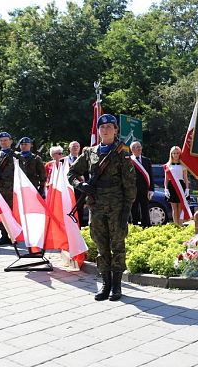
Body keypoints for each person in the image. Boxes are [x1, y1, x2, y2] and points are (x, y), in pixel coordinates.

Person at [68, 114, 136, 301]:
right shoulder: (89, 152)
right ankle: (105, 284)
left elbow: (130, 184)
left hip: (116, 207)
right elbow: (72, 172)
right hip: (96, 207)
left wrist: (126, 210)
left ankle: (117, 286)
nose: (105, 129)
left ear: (115, 130)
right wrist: (80, 185)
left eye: (109, 126)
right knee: (101, 246)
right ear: (98, 130)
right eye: (102, 127)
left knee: (117, 246)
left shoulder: (123, 152)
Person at [129, 141, 154, 228]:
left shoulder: (147, 160)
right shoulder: (128, 160)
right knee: (134, 209)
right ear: (132, 149)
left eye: (139, 146)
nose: (139, 148)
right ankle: (134, 226)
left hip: (144, 189)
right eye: (136, 147)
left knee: (145, 209)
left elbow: (150, 175)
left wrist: (151, 189)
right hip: (133, 189)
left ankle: (146, 226)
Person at [163, 146, 190, 225]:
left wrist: (187, 189)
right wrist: (166, 189)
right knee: (174, 208)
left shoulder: (183, 165)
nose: (175, 155)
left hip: (181, 186)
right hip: (172, 187)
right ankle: (176, 225)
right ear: (171, 154)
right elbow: (166, 179)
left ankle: (181, 225)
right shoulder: (167, 166)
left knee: (181, 207)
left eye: (177, 153)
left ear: (180, 154)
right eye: (174, 153)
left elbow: (185, 178)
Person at [0, 132, 16, 245]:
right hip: (0, 190)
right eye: (1, 140)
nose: (3, 142)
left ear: (10, 141)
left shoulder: (17, 156)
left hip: (13, 190)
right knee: (1, 213)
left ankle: (15, 235)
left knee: (14, 212)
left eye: (5, 140)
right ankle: (4, 235)